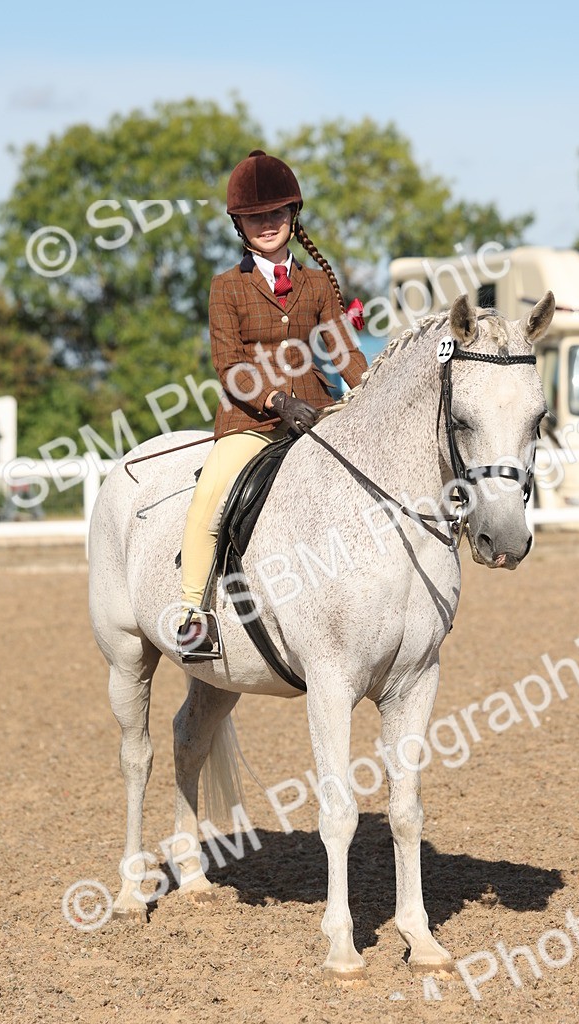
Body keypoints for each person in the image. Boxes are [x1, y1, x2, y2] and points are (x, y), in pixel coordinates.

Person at [177, 149, 368, 661]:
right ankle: (193, 614)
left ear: (292, 216)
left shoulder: (315, 283)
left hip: (316, 412)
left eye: (276, 214)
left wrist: (370, 393)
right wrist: (276, 399)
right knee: (210, 501)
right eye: (255, 216)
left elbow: (343, 349)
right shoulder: (226, 287)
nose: (267, 224)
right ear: (239, 224)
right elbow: (230, 364)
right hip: (252, 420)